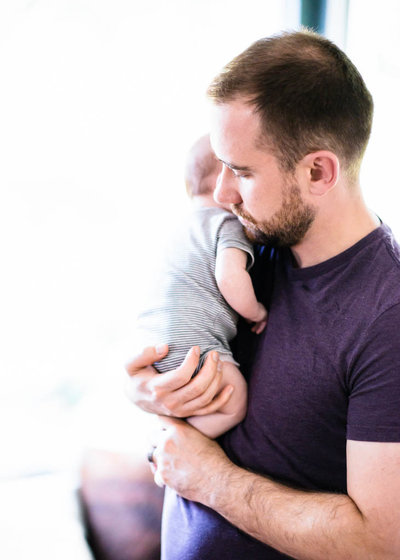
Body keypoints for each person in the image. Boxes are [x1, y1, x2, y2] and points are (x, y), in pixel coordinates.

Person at [125, 29, 400, 559]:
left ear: (319, 171)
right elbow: (173, 417)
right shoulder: (247, 244)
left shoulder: (387, 315)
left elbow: (380, 543)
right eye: (222, 165)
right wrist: (146, 394)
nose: (223, 194)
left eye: (244, 172)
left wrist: (210, 480)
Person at [134, 134, 267, 438]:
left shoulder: (179, 229)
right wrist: (256, 311)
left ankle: (168, 434)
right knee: (234, 403)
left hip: (153, 344)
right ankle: (181, 439)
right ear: (227, 178)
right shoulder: (226, 225)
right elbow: (230, 278)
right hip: (195, 347)